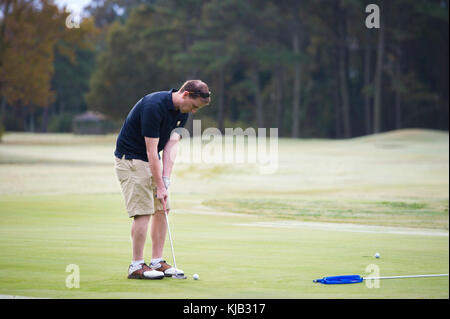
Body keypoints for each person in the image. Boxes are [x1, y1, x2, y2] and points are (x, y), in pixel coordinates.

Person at [114, 80, 211, 279]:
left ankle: (157, 262)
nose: (193, 111)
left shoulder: (182, 113)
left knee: (163, 208)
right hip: (131, 159)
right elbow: (151, 151)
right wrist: (159, 185)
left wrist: (165, 180)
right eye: (193, 106)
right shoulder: (153, 106)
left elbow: (171, 146)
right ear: (185, 94)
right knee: (143, 211)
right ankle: (136, 266)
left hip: (150, 160)